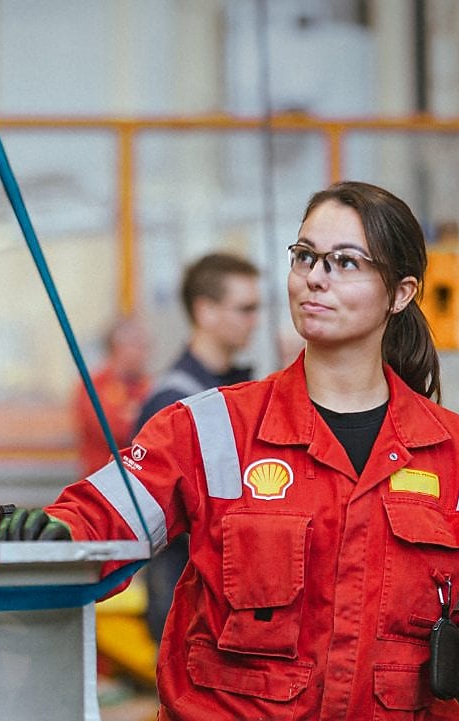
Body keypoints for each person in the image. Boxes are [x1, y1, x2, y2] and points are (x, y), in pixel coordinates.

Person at [0, 181, 459, 720]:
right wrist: (51, 538)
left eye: (346, 262)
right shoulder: (211, 427)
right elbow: (99, 525)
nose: (315, 279)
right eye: (306, 256)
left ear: (402, 294)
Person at [136, 251, 261, 642]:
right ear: (205, 311)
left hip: (227, 602)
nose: (254, 322)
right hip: (188, 605)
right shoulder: (174, 405)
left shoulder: (236, 396)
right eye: (245, 309)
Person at [71, 316, 152, 477]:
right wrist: (139, 417)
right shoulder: (93, 385)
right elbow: (114, 430)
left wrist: (135, 415)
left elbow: (156, 431)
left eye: (146, 346)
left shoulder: (148, 386)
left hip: (138, 480)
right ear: (117, 347)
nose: (145, 353)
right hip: (100, 481)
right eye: (138, 345)